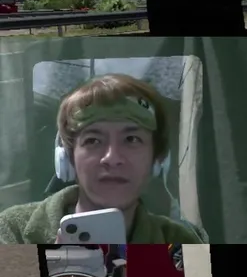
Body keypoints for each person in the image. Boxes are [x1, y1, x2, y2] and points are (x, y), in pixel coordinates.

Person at [0, 73, 207, 244]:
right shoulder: (12, 232)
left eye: (131, 139)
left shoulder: (181, 241)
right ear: (67, 158)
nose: (112, 158)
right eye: (93, 141)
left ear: (158, 159)